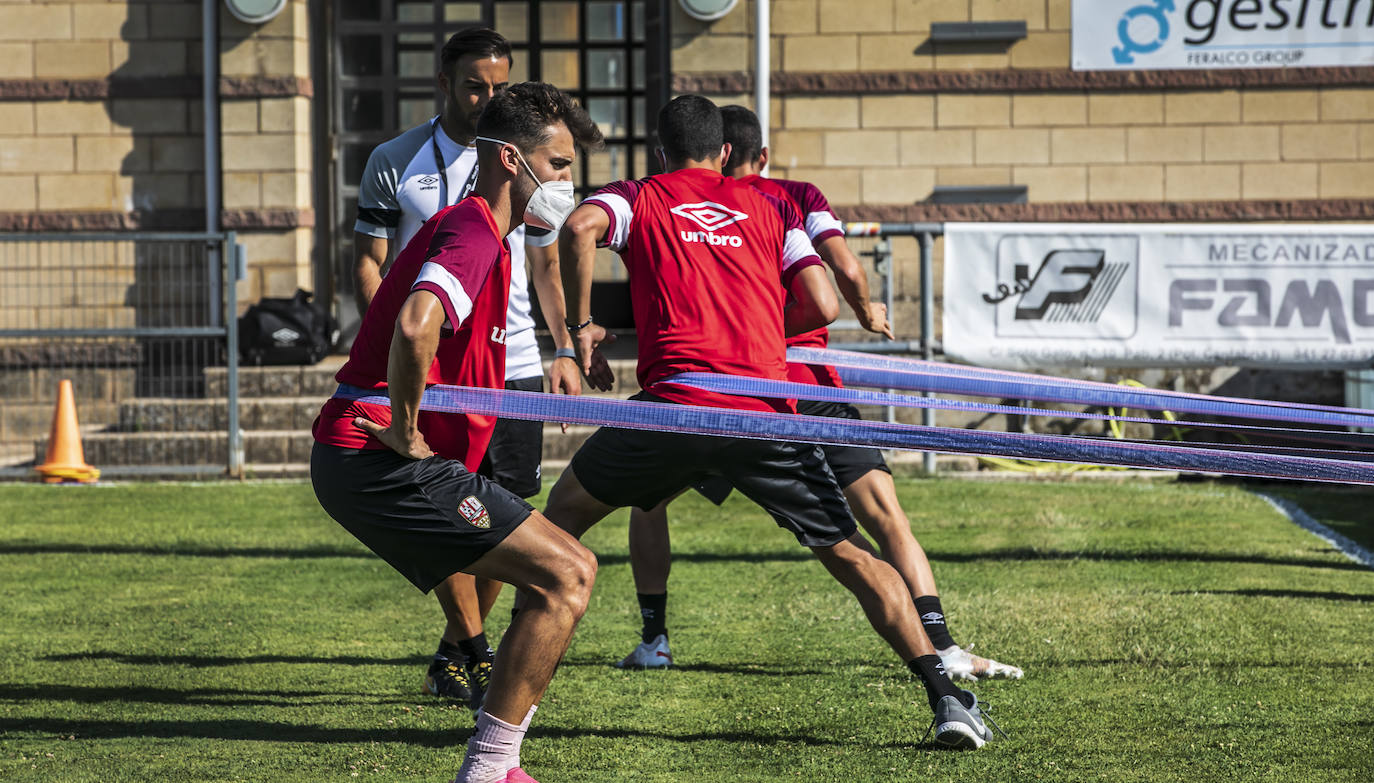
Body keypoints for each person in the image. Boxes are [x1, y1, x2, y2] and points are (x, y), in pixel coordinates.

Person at [544, 94, 996, 749]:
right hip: (762, 409)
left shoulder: (638, 195)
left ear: (660, 150)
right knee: (850, 553)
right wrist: (751, 335)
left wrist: (583, 329)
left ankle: (498, 667)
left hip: (674, 409)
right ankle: (948, 698)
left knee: (559, 516)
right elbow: (818, 300)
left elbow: (579, 227)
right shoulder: (768, 205)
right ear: (725, 152)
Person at [312, 82, 606, 783]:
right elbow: (418, 324)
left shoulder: (488, 237)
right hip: (371, 456)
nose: (568, 183)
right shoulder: (473, 229)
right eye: (560, 164)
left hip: (372, 458)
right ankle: (489, 767)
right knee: (569, 573)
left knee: (560, 574)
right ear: (512, 159)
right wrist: (409, 432)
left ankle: (492, 753)